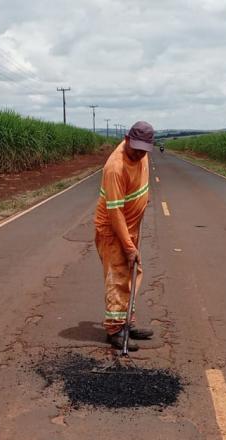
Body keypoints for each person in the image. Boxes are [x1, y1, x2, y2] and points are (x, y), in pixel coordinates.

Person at [94, 121, 156, 351]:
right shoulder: (115, 167)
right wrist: (129, 247)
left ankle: (126, 321)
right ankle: (114, 330)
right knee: (118, 277)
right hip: (113, 229)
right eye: (136, 148)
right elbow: (114, 212)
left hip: (131, 225)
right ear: (127, 139)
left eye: (144, 150)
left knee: (132, 273)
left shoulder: (141, 154)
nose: (139, 154)